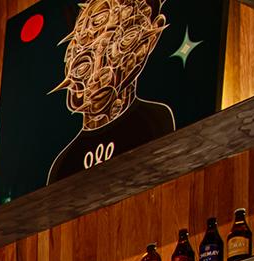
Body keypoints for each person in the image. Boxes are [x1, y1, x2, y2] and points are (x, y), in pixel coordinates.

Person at [46, 0, 176, 185]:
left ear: (150, 39)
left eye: (124, 41)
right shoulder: (64, 164)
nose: (97, 76)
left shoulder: (155, 120)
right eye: (85, 62)